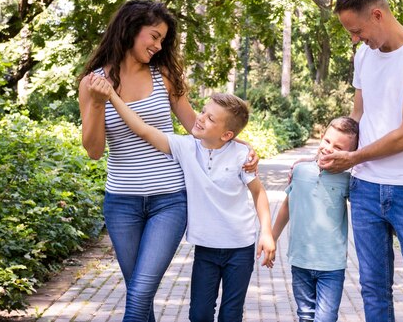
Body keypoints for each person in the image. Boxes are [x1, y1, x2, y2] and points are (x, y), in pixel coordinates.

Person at [78, 0, 257, 322]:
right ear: (131, 30)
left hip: (169, 199)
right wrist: (96, 102)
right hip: (121, 202)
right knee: (137, 292)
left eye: (163, 40)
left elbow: (195, 127)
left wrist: (240, 145)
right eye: (154, 36)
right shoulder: (92, 83)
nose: (159, 46)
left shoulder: (163, 75)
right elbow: (93, 149)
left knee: (142, 289)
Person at [89, 76, 275, 322]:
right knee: (199, 314)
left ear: (227, 134)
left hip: (240, 247)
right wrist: (112, 96)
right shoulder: (186, 147)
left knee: (231, 314)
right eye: (203, 112)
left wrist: (267, 233)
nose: (200, 118)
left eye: (211, 119)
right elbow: (143, 129)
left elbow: (258, 193)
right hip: (206, 249)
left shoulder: (241, 155)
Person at [318, 0, 403, 321]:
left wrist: (354, 158)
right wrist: (329, 151)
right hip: (365, 191)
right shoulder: (364, 55)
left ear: (377, 15)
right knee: (374, 291)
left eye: (357, 31)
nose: (355, 40)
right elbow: (358, 117)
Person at [272, 116, 359, 322]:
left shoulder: (348, 180)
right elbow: (287, 206)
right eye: (327, 141)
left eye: (338, 147)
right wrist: (272, 238)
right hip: (300, 259)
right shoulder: (300, 170)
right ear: (322, 136)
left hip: (332, 265)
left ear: (349, 154)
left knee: (326, 318)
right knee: (305, 315)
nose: (329, 148)